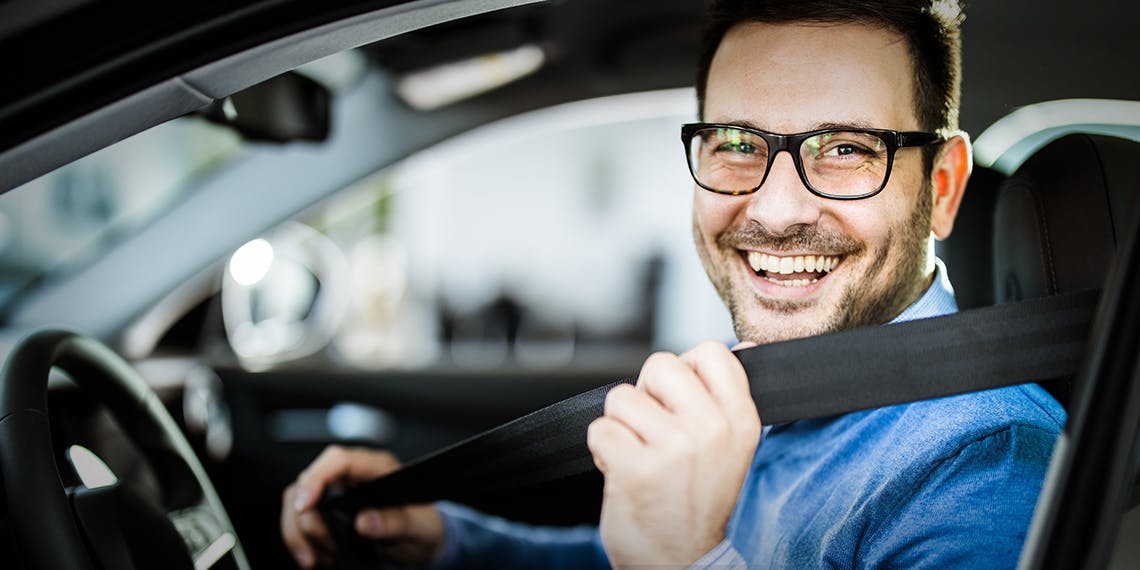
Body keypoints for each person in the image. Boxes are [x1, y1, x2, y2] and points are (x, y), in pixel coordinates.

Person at [281, 0, 1065, 567]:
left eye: (847, 149)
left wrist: (690, 564)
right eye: (736, 143)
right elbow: (620, 553)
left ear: (943, 188)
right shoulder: (786, 381)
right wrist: (446, 540)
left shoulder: (983, 465)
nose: (776, 208)